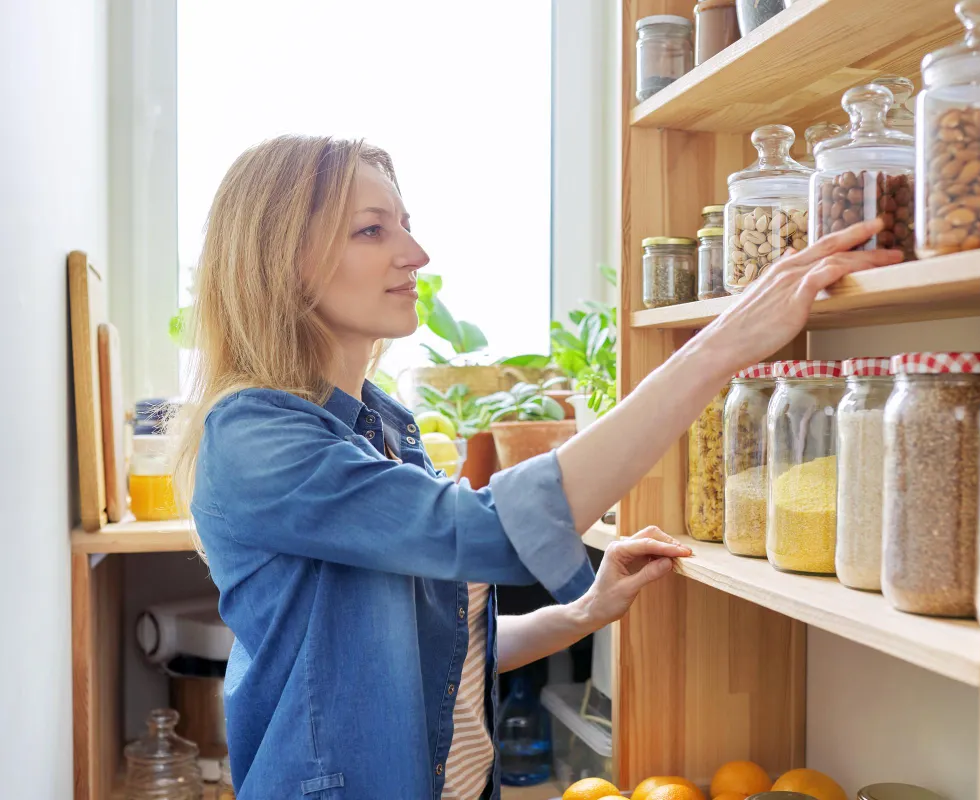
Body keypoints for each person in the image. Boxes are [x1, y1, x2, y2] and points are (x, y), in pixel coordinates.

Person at [173, 135, 902, 799]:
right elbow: (484, 533)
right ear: (280, 262)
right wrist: (718, 347)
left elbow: (436, 659)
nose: (416, 253)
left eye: (404, 222)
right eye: (373, 229)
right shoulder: (255, 435)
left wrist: (584, 613)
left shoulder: (384, 423)